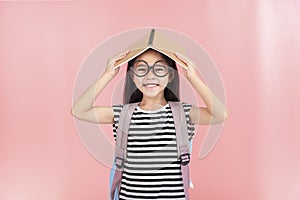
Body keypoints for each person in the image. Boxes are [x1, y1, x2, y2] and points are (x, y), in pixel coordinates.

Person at [71, 48, 228, 199]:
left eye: (159, 69)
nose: (150, 76)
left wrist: (193, 77)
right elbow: (79, 111)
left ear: (171, 75)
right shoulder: (122, 114)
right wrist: (108, 74)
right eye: (141, 69)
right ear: (132, 76)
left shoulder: (183, 113)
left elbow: (220, 114)